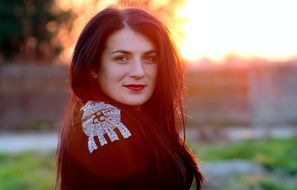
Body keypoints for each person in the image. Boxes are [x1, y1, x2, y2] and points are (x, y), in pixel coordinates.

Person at [56, 6, 203, 190]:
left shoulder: (93, 113)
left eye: (149, 58)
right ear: (93, 67)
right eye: (122, 58)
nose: (138, 72)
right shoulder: (112, 133)